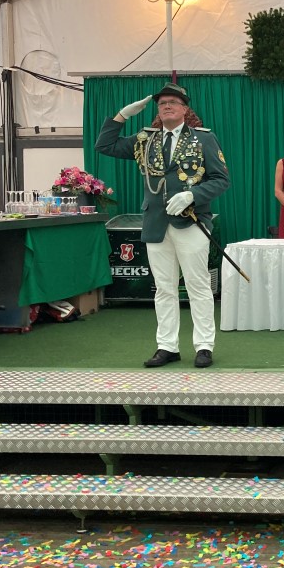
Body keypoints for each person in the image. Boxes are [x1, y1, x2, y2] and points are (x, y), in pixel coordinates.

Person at [95, 82, 230, 369]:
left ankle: (204, 345)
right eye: (162, 103)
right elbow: (104, 145)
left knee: (197, 286)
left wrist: (193, 195)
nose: (166, 106)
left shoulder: (203, 139)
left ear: (184, 109)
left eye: (173, 102)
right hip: (156, 223)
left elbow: (221, 180)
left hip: (191, 222)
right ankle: (167, 346)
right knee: (164, 288)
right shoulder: (146, 139)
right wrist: (122, 116)